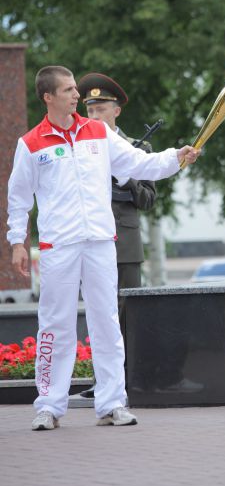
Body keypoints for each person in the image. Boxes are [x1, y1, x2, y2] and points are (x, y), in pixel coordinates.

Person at [7, 65, 200, 431]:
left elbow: (139, 163)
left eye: (75, 89)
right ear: (48, 97)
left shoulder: (98, 132)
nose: (76, 95)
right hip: (58, 246)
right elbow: (18, 199)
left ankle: (112, 403)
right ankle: (48, 405)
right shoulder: (31, 143)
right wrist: (18, 241)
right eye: (68, 90)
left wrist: (177, 157)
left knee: (107, 323)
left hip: (99, 242)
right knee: (54, 326)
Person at [77, 73, 156, 400]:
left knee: (128, 315)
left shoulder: (138, 148)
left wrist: (124, 178)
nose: (95, 116)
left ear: (116, 111)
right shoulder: (80, 146)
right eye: (90, 110)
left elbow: (148, 200)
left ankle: (130, 380)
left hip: (124, 244)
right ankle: (103, 382)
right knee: (97, 313)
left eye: (101, 109)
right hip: (90, 239)